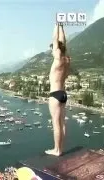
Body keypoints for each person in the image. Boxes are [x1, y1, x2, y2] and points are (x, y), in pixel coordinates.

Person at [45, 23, 70, 156]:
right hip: (63, 93)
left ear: (56, 49)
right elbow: (63, 41)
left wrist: (56, 24)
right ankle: (61, 148)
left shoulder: (58, 58)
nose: (52, 50)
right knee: (62, 123)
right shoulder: (67, 59)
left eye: (53, 48)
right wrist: (61, 25)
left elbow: (56, 39)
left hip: (55, 94)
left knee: (56, 123)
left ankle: (57, 150)